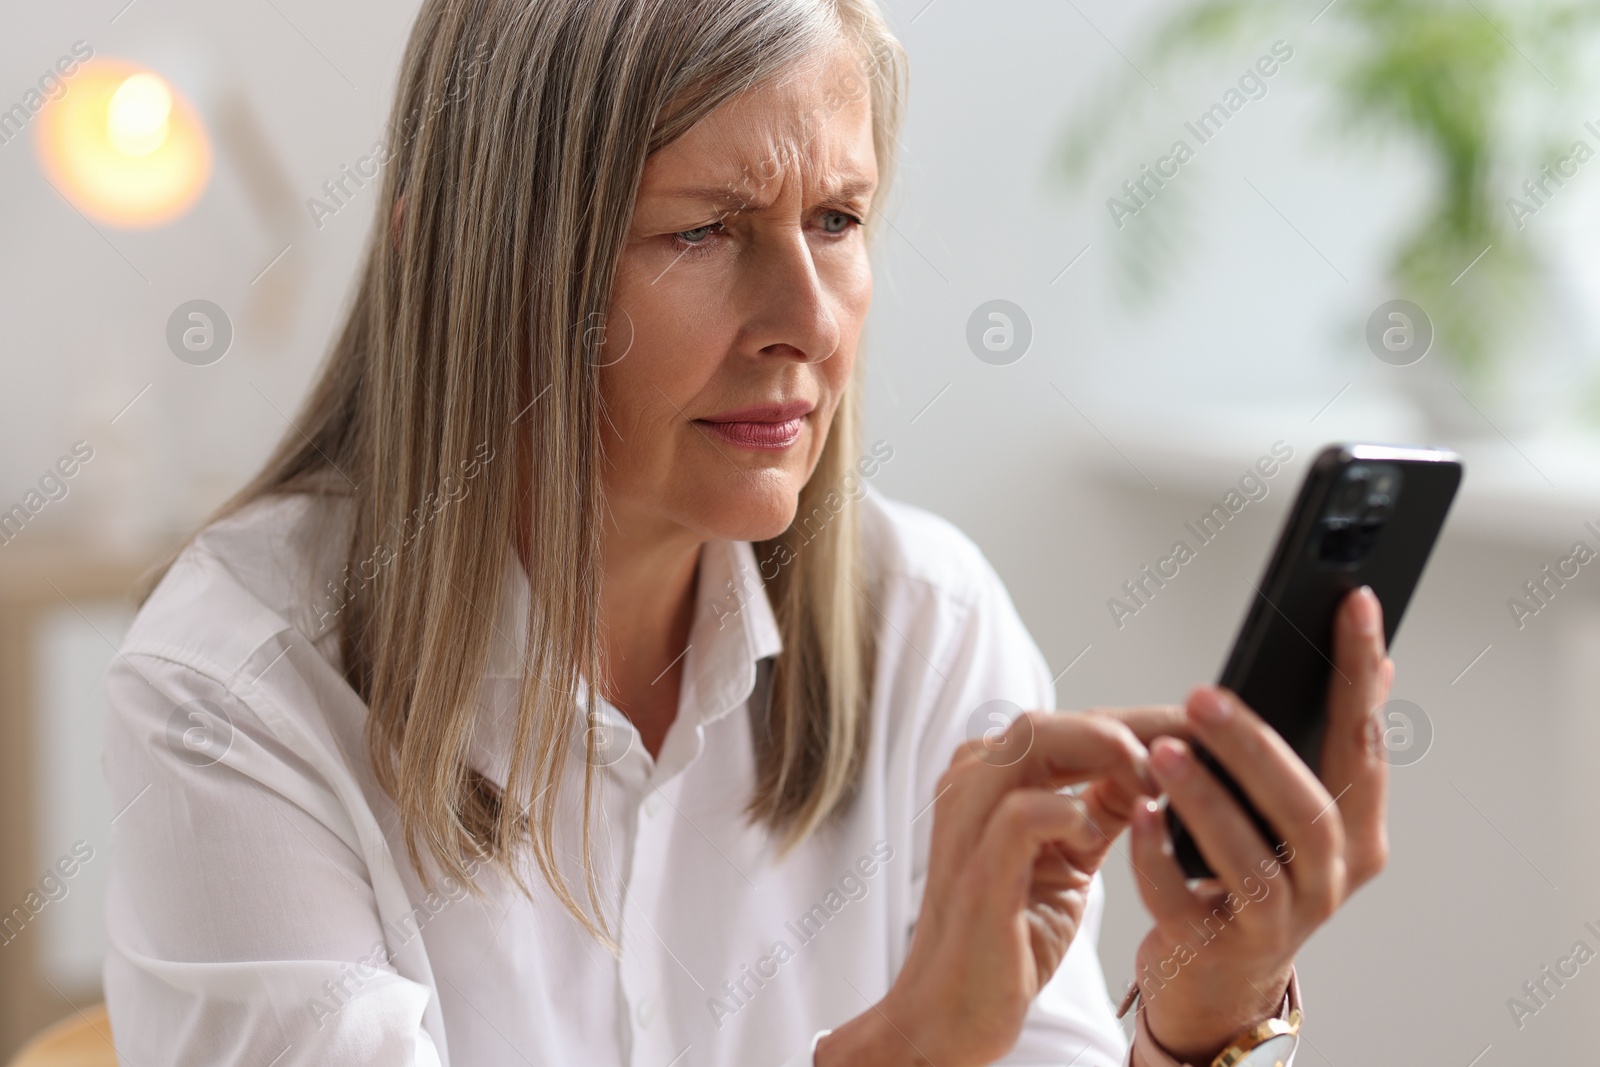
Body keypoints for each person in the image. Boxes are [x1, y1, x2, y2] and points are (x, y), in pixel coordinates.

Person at [102, 1, 1395, 1064]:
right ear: (470, 267)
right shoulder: (233, 688)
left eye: (837, 220)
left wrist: (1205, 1016)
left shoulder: (928, 625)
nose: (810, 321)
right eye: (706, 231)